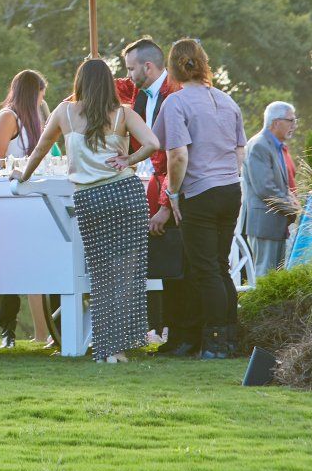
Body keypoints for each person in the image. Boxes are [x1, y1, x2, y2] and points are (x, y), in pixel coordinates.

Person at [15, 57, 159, 363]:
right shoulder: (123, 114)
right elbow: (152, 143)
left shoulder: (64, 112)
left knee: (101, 275)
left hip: (90, 198)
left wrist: (23, 176)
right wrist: (129, 160)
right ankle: (116, 348)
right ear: (108, 84)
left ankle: (107, 348)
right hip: (126, 194)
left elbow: (41, 148)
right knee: (125, 276)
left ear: (79, 82)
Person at [153, 38, 248, 360]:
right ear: (204, 63)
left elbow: (177, 155)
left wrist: (173, 193)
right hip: (230, 189)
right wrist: (226, 174)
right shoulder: (227, 100)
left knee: (205, 270)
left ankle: (215, 342)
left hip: (199, 192)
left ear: (173, 67)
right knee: (220, 267)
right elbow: (239, 151)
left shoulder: (176, 103)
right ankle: (229, 339)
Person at [125, 38, 186, 351]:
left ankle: (178, 335)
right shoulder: (142, 94)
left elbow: (174, 156)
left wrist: (165, 204)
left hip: (175, 191)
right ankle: (162, 329)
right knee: (161, 262)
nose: (128, 75)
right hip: (152, 187)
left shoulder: (173, 95)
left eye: (131, 68)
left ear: (147, 67)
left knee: (175, 265)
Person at [0, 69, 54, 349]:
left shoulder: (35, 121)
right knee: (11, 264)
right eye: (40, 96)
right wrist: (25, 165)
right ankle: (8, 329)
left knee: (40, 262)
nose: (41, 102)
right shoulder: (8, 117)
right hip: (11, 199)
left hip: (35, 199)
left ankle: (47, 330)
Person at [243, 102, 300, 278]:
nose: (294, 125)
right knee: (265, 278)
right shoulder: (259, 145)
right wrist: (294, 208)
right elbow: (265, 188)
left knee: (275, 279)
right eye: (291, 120)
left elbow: (280, 184)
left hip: (276, 223)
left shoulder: (275, 146)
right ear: (276, 122)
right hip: (264, 223)